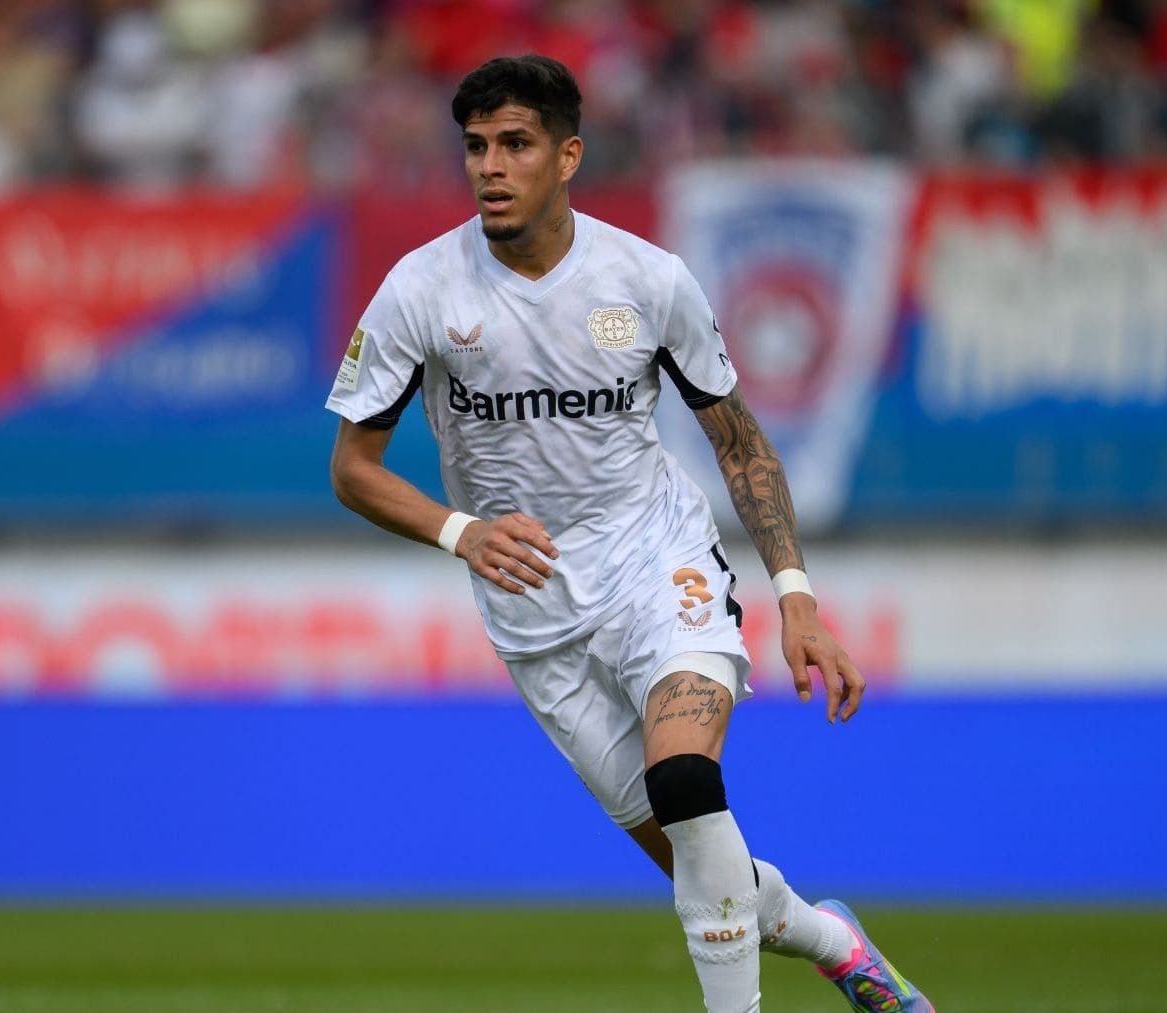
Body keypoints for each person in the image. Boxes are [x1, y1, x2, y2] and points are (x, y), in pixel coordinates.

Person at [325, 54, 933, 1013]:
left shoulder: (648, 280)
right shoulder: (420, 290)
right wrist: (460, 531)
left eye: (516, 145)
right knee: (706, 869)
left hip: (658, 561)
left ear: (568, 156)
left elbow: (740, 442)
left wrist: (797, 597)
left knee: (687, 779)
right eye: (476, 147)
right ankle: (836, 942)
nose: (491, 167)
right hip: (534, 611)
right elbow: (353, 468)